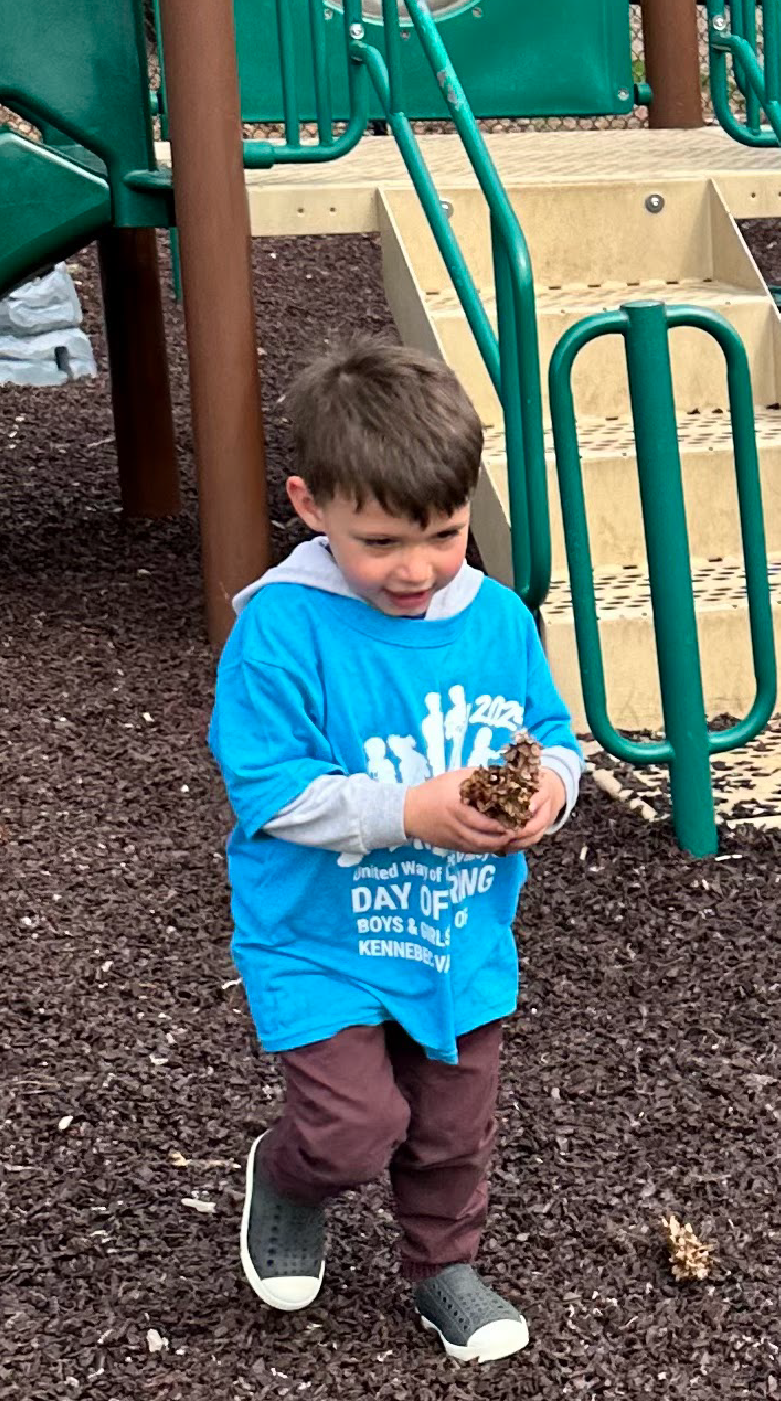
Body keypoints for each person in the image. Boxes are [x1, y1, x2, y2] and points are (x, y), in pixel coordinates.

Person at [208, 338, 583, 1362]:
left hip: (458, 932)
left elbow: (553, 736)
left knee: (453, 1128)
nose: (416, 568)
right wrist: (408, 811)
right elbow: (268, 790)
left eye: (445, 534)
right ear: (311, 504)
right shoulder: (283, 630)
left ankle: (442, 1267)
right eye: (381, 542)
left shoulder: (498, 618)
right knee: (353, 1126)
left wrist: (547, 793)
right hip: (317, 936)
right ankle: (289, 1178)